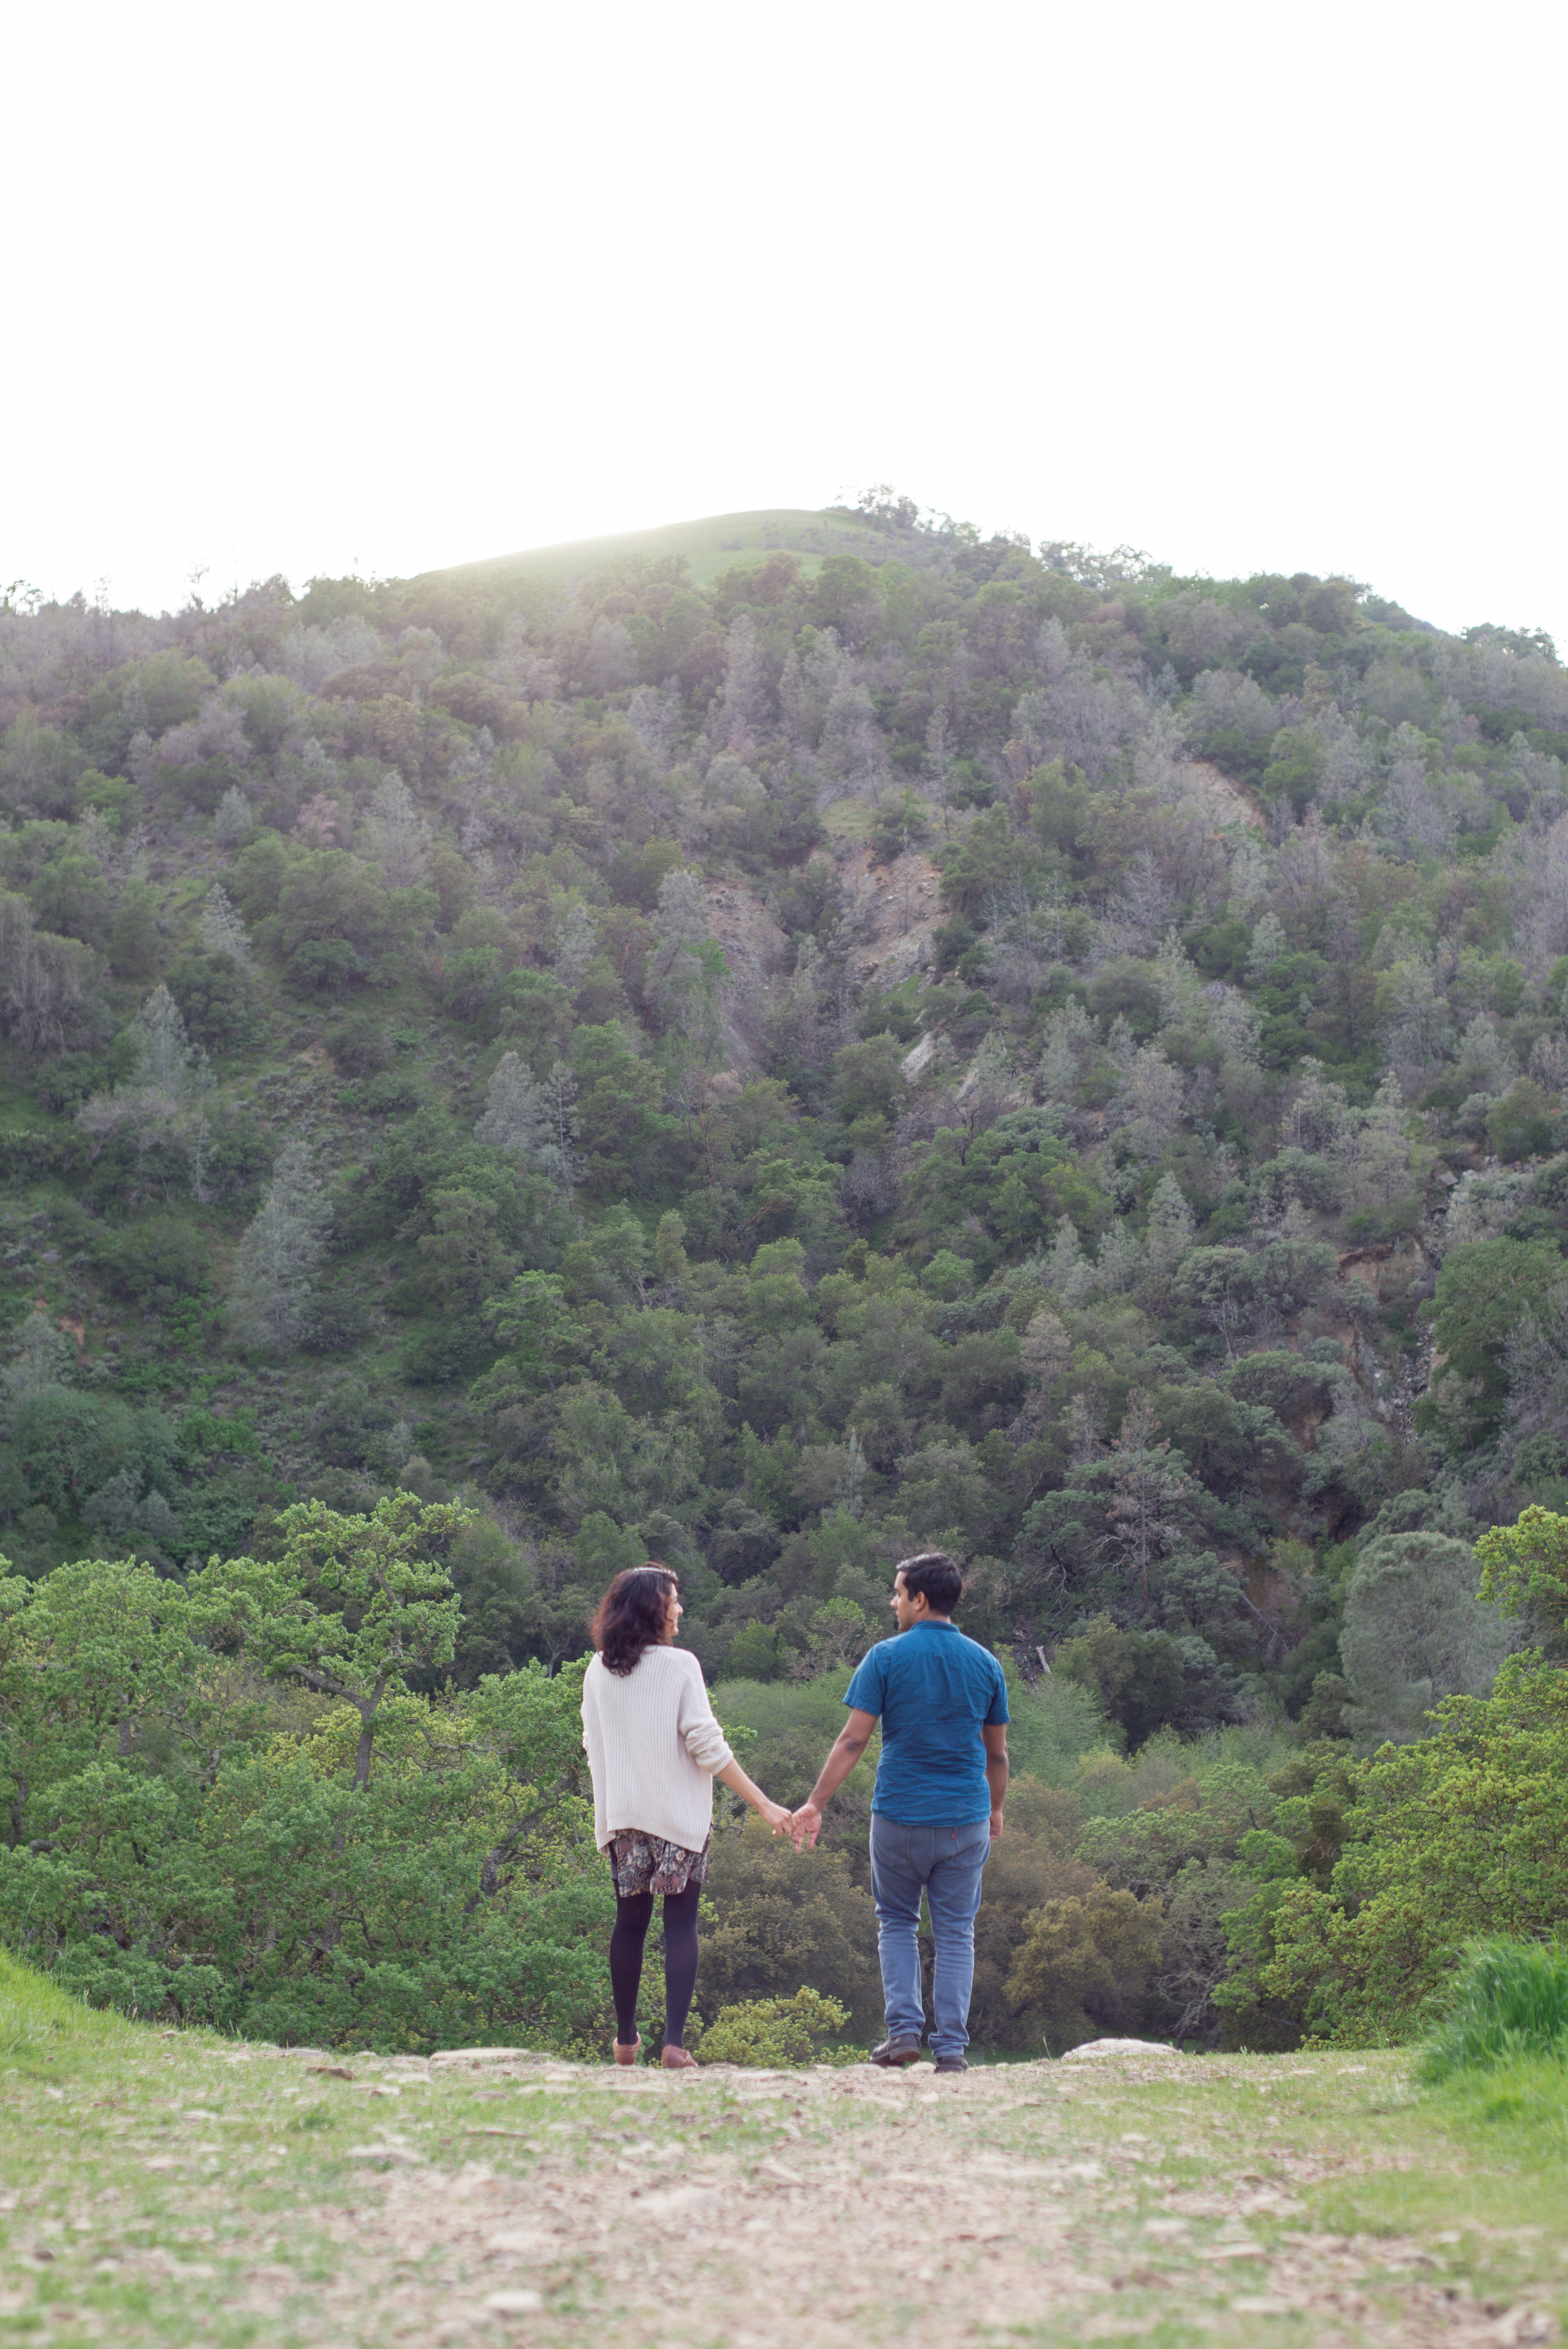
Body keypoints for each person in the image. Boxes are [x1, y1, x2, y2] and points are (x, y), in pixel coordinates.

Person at [788, 1551, 1008, 2073]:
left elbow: (852, 1740)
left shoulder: (885, 1657)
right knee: (956, 1931)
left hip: (899, 1818)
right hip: (965, 1818)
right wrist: (996, 1807)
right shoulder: (986, 1663)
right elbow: (997, 1753)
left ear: (920, 1598)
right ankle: (951, 2051)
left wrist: (815, 1803)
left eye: (897, 1591)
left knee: (896, 1922)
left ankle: (904, 2032)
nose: (893, 1601)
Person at [581, 1562, 790, 2068]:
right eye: (673, 1599)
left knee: (628, 1924)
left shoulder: (598, 1669)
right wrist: (763, 1803)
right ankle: (673, 2043)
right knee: (681, 1925)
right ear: (654, 1607)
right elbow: (707, 1746)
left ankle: (626, 2041)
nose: (680, 1608)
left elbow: (592, 1743)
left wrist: (615, 1801)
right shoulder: (680, 1667)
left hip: (624, 1818)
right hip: (677, 1818)